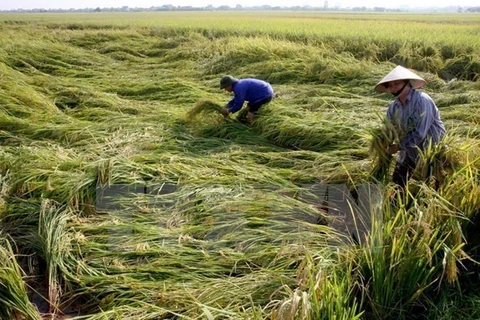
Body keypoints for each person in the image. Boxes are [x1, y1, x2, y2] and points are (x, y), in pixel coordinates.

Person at [374, 65, 445, 189]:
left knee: (429, 189)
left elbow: (419, 133)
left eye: (397, 83)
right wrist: (383, 144)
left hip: (431, 152)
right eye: (390, 85)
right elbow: (389, 130)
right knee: (397, 185)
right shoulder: (393, 107)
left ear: (407, 83)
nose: (393, 87)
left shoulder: (422, 100)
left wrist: (397, 147)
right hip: (409, 152)